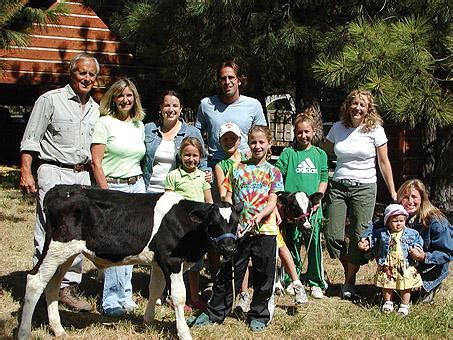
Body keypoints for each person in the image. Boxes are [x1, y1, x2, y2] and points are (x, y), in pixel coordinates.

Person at [19, 53, 100, 312]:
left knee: (77, 234)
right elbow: (30, 138)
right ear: (71, 73)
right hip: (54, 171)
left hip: (82, 175)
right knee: (48, 231)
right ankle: (39, 289)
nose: (86, 78)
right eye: (82, 73)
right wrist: (26, 172)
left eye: (91, 74)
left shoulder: (96, 110)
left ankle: (66, 288)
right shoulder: (50, 100)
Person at [189, 125, 284, 332]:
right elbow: (229, 196)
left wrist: (262, 214)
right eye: (253, 142)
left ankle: (259, 314)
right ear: (247, 144)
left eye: (261, 142)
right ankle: (215, 312)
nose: (257, 146)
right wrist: (228, 217)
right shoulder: (237, 168)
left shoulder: (274, 171)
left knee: (264, 274)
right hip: (238, 232)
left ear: (269, 144)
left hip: (265, 230)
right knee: (228, 272)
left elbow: (273, 199)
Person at [323, 89, 397, 299]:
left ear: (368, 109)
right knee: (332, 235)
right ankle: (349, 270)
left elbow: (384, 162)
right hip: (338, 186)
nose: (357, 108)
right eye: (354, 104)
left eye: (362, 105)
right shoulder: (338, 128)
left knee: (359, 236)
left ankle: (348, 282)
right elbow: (322, 152)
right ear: (348, 106)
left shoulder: (375, 130)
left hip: (365, 187)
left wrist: (392, 191)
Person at [91, 77, 146, 317]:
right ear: (113, 98)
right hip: (114, 188)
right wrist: (108, 195)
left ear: (135, 99)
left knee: (133, 243)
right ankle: (111, 299)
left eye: (129, 95)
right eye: (121, 95)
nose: (126, 100)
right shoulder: (104, 123)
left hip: (137, 187)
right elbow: (96, 162)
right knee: (114, 245)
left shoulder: (139, 125)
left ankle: (126, 294)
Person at [275, 109, 329, 299]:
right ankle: (292, 279)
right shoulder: (288, 153)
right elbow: (276, 174)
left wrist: (317, 199)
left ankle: (316, 281)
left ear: (314, 132)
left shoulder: (320, 154)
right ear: (294, 133)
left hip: (312, 211)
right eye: (299, 132)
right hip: (292, 211)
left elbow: (323, 177)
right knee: (292, 243)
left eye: (307, 132)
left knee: (314, 244)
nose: (303, 136)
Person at [164, 136, 213, 311]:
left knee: (195, 266)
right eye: (187, 155)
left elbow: (208, 202)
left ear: (200, 157)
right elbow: (167, 202)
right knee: (177, 265)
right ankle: (174, 297)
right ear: (180, 155)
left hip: (197, 230)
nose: (190, 159)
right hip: (178, 229)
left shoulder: (203, 178)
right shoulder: (173, 176)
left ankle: (194, 296)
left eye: (195, 155)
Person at [196, 60, 267, 168]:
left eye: (231, 77)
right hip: (215, 165)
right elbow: (196, 135)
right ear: (219, 82)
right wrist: (203, 160)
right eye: (223, 79)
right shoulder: (206, 104)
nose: (227, 82)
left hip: (245, 165)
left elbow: (264, 136)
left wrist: (254, 154)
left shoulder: (254, 105)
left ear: (238, 80)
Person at [358, 204, 423, 316]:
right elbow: (373, 239)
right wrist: (367, 243)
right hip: (388, 264)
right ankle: (388, 302)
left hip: (405, 264)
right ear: (387, 222)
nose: (398, 223)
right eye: (395, 221)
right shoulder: (382, 233)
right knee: (387, 284)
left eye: (401, 221)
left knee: (406, 286)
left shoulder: (412, 233)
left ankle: (404, 304)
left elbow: (418, 242)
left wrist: (417, 249)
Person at [397, 179, 452, 303]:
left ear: (422, 198)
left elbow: (447, 252)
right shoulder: (396, 216)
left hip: (429, 268)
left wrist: (424, 257)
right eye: (405, 197)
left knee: (417, 300)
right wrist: (367, 239)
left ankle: (430, 287)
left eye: (414, 197)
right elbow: (377, 227)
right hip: (406, 265)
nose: (410, 201)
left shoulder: (436, 221)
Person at [143, 90, 208, 193]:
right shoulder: (149, 129)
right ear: (161, 107)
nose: (171, 109)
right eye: (167, 105)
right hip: (148, 191)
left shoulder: (192, 132)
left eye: (175, 106)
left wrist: (207, 174)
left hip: (178, 193)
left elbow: (202, 161)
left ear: (181, 108)